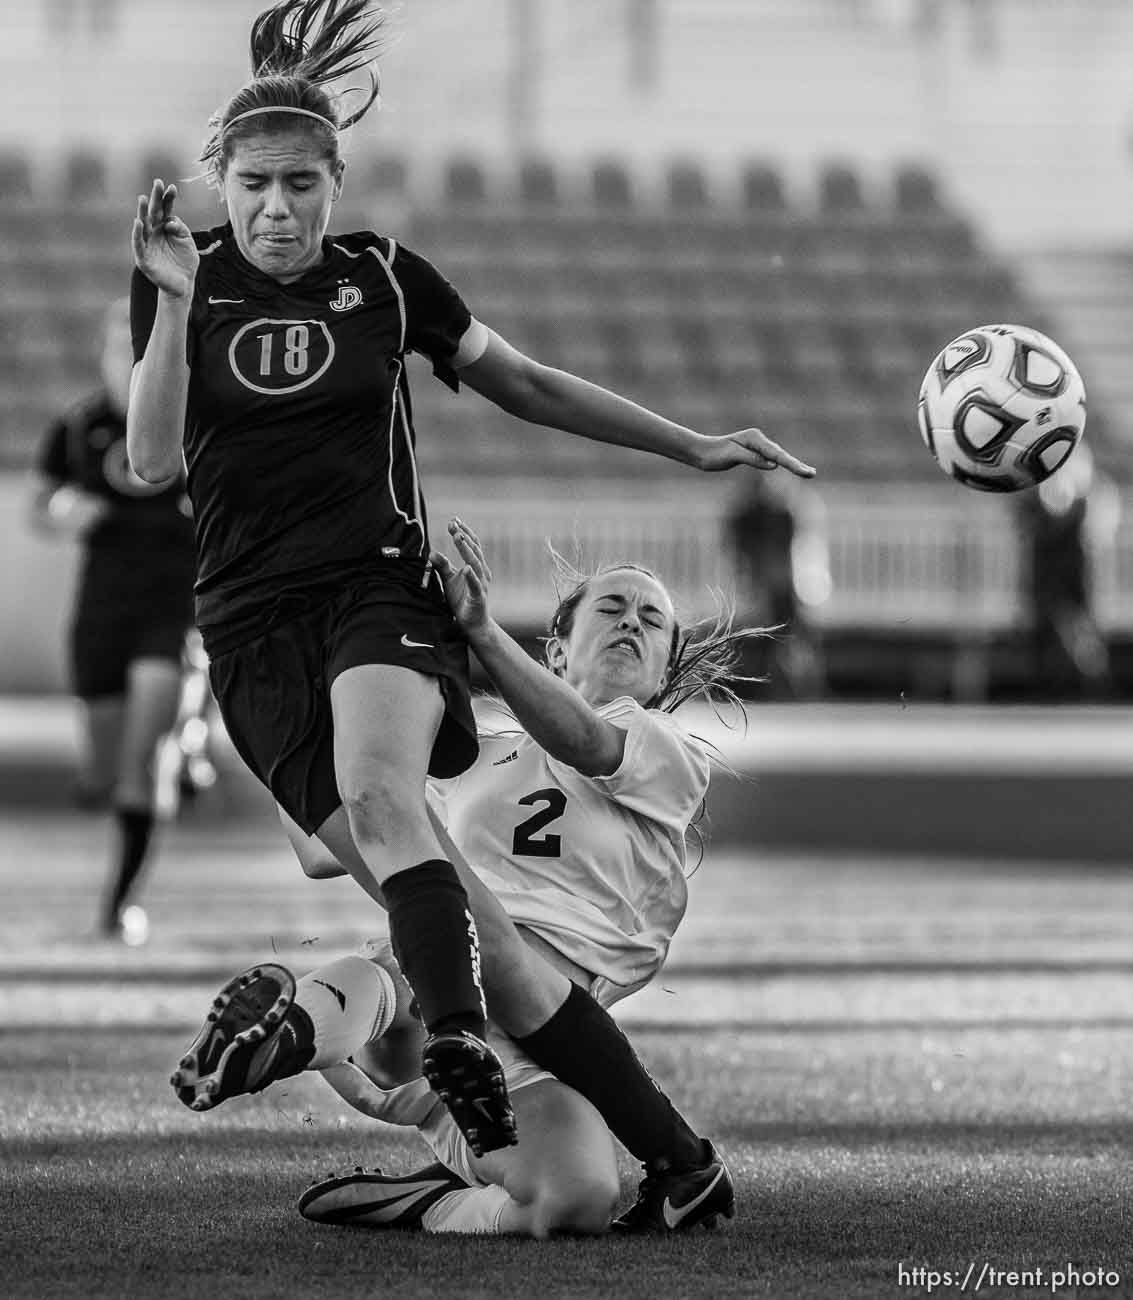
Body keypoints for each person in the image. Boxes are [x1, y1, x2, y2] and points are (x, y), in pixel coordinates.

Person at [131, 0, 815, 1161]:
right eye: (254, 185)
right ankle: (673, 1157)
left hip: (376, 591)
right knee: (473, 919)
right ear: (222, 181)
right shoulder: (183, 280)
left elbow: (531, 383)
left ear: (335, 183)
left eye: (301, 184)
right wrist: (172, 300)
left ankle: (448, 1038)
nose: (277, 207)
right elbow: (151, 460)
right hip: (248, 630)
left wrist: (690, 443)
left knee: (394, 806)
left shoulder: (386, 282)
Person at [178, 524, 764, 1234]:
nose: (631, 623)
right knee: (439, 925)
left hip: (525, 1054)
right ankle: (286, 1032)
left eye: (652, 620)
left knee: (577, 1200)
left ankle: (426, 1200)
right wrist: (283, 718)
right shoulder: (472, 756)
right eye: (610, 608)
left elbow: (580, 739)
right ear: (555, 648)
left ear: (666, 670)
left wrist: (482, 634)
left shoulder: (667, 755)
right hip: (427, 1006)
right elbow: (325, 845)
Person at [28, 298, 197, 944]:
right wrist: (61, 511)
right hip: (103, 609)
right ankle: (186, 736)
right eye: (116, 348)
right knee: (100, 776)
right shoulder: (78, 427)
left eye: (138, 350)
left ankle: (122, 902)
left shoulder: (194, 424)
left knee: (142, 760)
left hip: (176, 608)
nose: (126, 362)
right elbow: (41, 502)